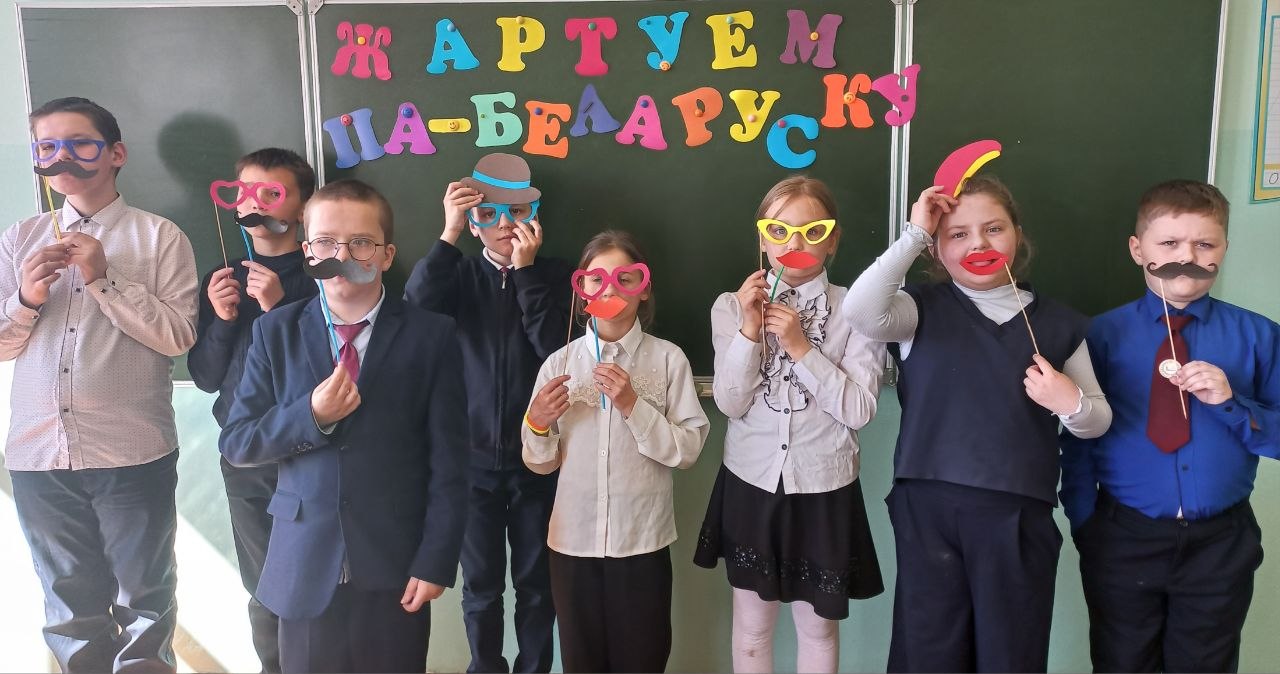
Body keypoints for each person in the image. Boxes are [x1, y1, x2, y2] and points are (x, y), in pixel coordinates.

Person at [845, 176, 1112, 672]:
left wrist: (1070, 403)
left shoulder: (1061, 324)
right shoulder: (917, 310)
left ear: (1017, 235)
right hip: (929, 509)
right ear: (936, 249)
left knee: (1010, 653)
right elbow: (860, 312)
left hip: (1018, 514)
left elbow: (1096, 421)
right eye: (958, 234)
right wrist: (914, 234)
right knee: (929, 652)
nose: (978, 244)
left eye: (994, 229)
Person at [220, 179, 469, 673]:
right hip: (303, 560)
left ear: (386, 254)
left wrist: (436, 559)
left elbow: (451, 462)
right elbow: (239, 442)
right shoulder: (275, 331)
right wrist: (310, 416)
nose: (343, 255)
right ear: (307, 251)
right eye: (326, 242)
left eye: (361, 243)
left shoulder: (431, 335)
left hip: (395, 561)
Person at [1, 96, 198, 672]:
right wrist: (25, 298)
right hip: (38, 453)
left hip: (132, 451)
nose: (61, 157)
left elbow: (178, 336)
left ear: (116, 154)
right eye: (47, 146)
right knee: (69, 608)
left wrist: (103, 279)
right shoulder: (18, 240)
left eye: (79, 144)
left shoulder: (159, 238)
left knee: (145, 602)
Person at [1060, 179, 1280, 673]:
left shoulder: (1261, 337)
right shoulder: (1098, 337)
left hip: (1221, 544)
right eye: (1169, 243)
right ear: (1138, 250)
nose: (1187, 257)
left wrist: (1231, 402)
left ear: (1224, 248)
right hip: (1122, 537)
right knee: (1121, 663)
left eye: (1205, 244)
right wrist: (1086, 522)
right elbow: (1077, 440)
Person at [694, 176, 886, 673]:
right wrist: (747, 331)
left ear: (832, 240)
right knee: (752, 630)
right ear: (762, 239)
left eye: (811, 231)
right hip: (751, 481)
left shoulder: (857, 311)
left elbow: (860, 409)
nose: (793, 243)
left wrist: (802, 348)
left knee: (818, 630)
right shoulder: (730, 307)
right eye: (778, 231)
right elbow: (731, 403)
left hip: (824, 486)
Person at [404, 153, 572, 673]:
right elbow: (414, 312)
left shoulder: (556, 277)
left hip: (537, 460)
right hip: (470, 462)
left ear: (534, 215)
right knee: (479, 587)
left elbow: (555, 351)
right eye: (488, 214)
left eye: (516, 212)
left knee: (537, 585)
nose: (504, 225)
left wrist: (526, 276)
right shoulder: (455, 274)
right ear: (473, 222)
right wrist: (448, 235)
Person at [523, 230, 708, 673]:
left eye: (625, 278)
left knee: (642, 658)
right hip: (573, 542)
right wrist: (538, 422)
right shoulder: (559, 364)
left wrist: (632, 405)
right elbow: (540, 462)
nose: (610, 289)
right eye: (597, 279)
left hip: (641, 540)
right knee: (581, 661)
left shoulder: (668, 360)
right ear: (581, 290)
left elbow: (688, 450)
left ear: (643, 289)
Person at [188, 147, 317, 672]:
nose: (254, 203)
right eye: (244, 193)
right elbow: (205, 377)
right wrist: (222, 319)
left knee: (317, 574)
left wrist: (277, 307)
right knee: (263, 583)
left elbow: (324, 370)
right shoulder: (223, 277)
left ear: (302, 207)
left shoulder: (324, 274)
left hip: (308, 450)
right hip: (244, 456)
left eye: (271, 193)